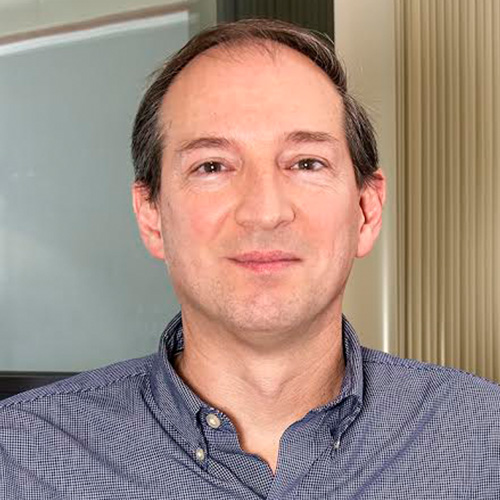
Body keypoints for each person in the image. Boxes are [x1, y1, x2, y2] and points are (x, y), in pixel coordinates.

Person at [1, 18, 499, 500]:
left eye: (306, 163)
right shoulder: (19, 459)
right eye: (212, 166)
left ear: (366, 210)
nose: (265, 213)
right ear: (152, 216)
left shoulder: (485, 443)